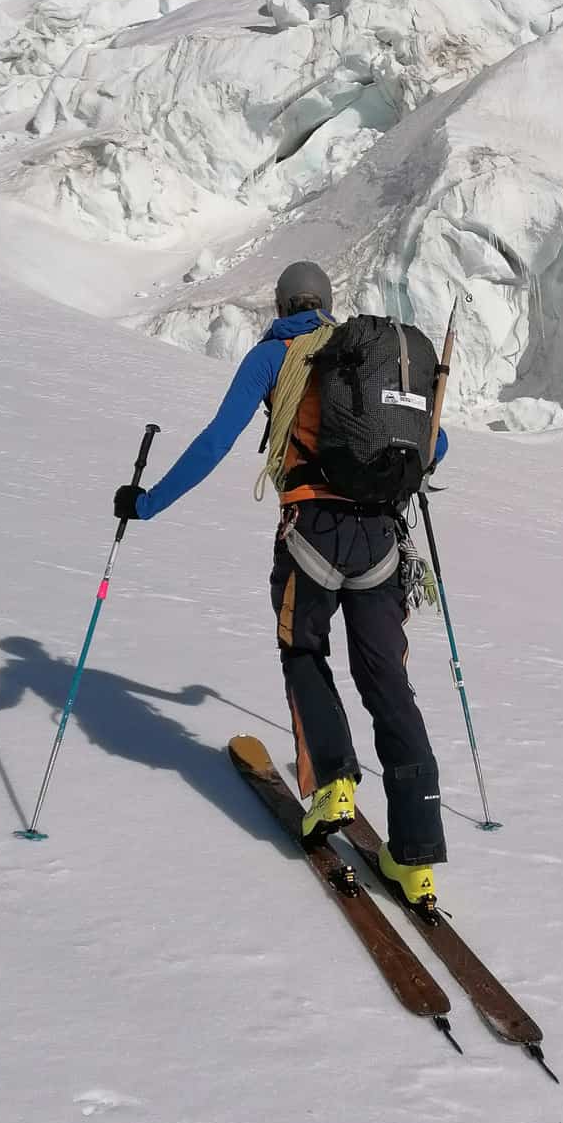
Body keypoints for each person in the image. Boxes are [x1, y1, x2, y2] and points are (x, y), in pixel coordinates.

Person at [113, 261, 448, 907]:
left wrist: (148, 503)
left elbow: (216, 442)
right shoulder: (370, 355)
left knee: (303, 650)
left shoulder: (275, 356)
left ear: (281, 303)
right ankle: (416, 859)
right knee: (388, 686)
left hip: (310, 530)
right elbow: (436, 446)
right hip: (380, 538)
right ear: (327, 302)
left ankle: (332, 784)